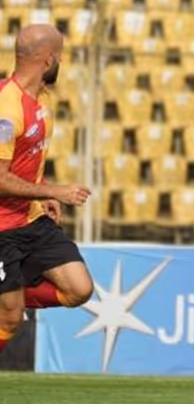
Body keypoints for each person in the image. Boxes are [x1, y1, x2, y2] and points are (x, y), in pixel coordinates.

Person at [0, 24, 94, 357]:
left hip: (32, 220)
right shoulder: (7, 109)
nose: (62, 62)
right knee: (10, 320)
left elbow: (25, 164)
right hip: (2, 229)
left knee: (79, 289)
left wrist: (43, 193)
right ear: (48, 59)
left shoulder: (41, 101)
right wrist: (56, 190)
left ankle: (8, 296)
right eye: (61, 56)